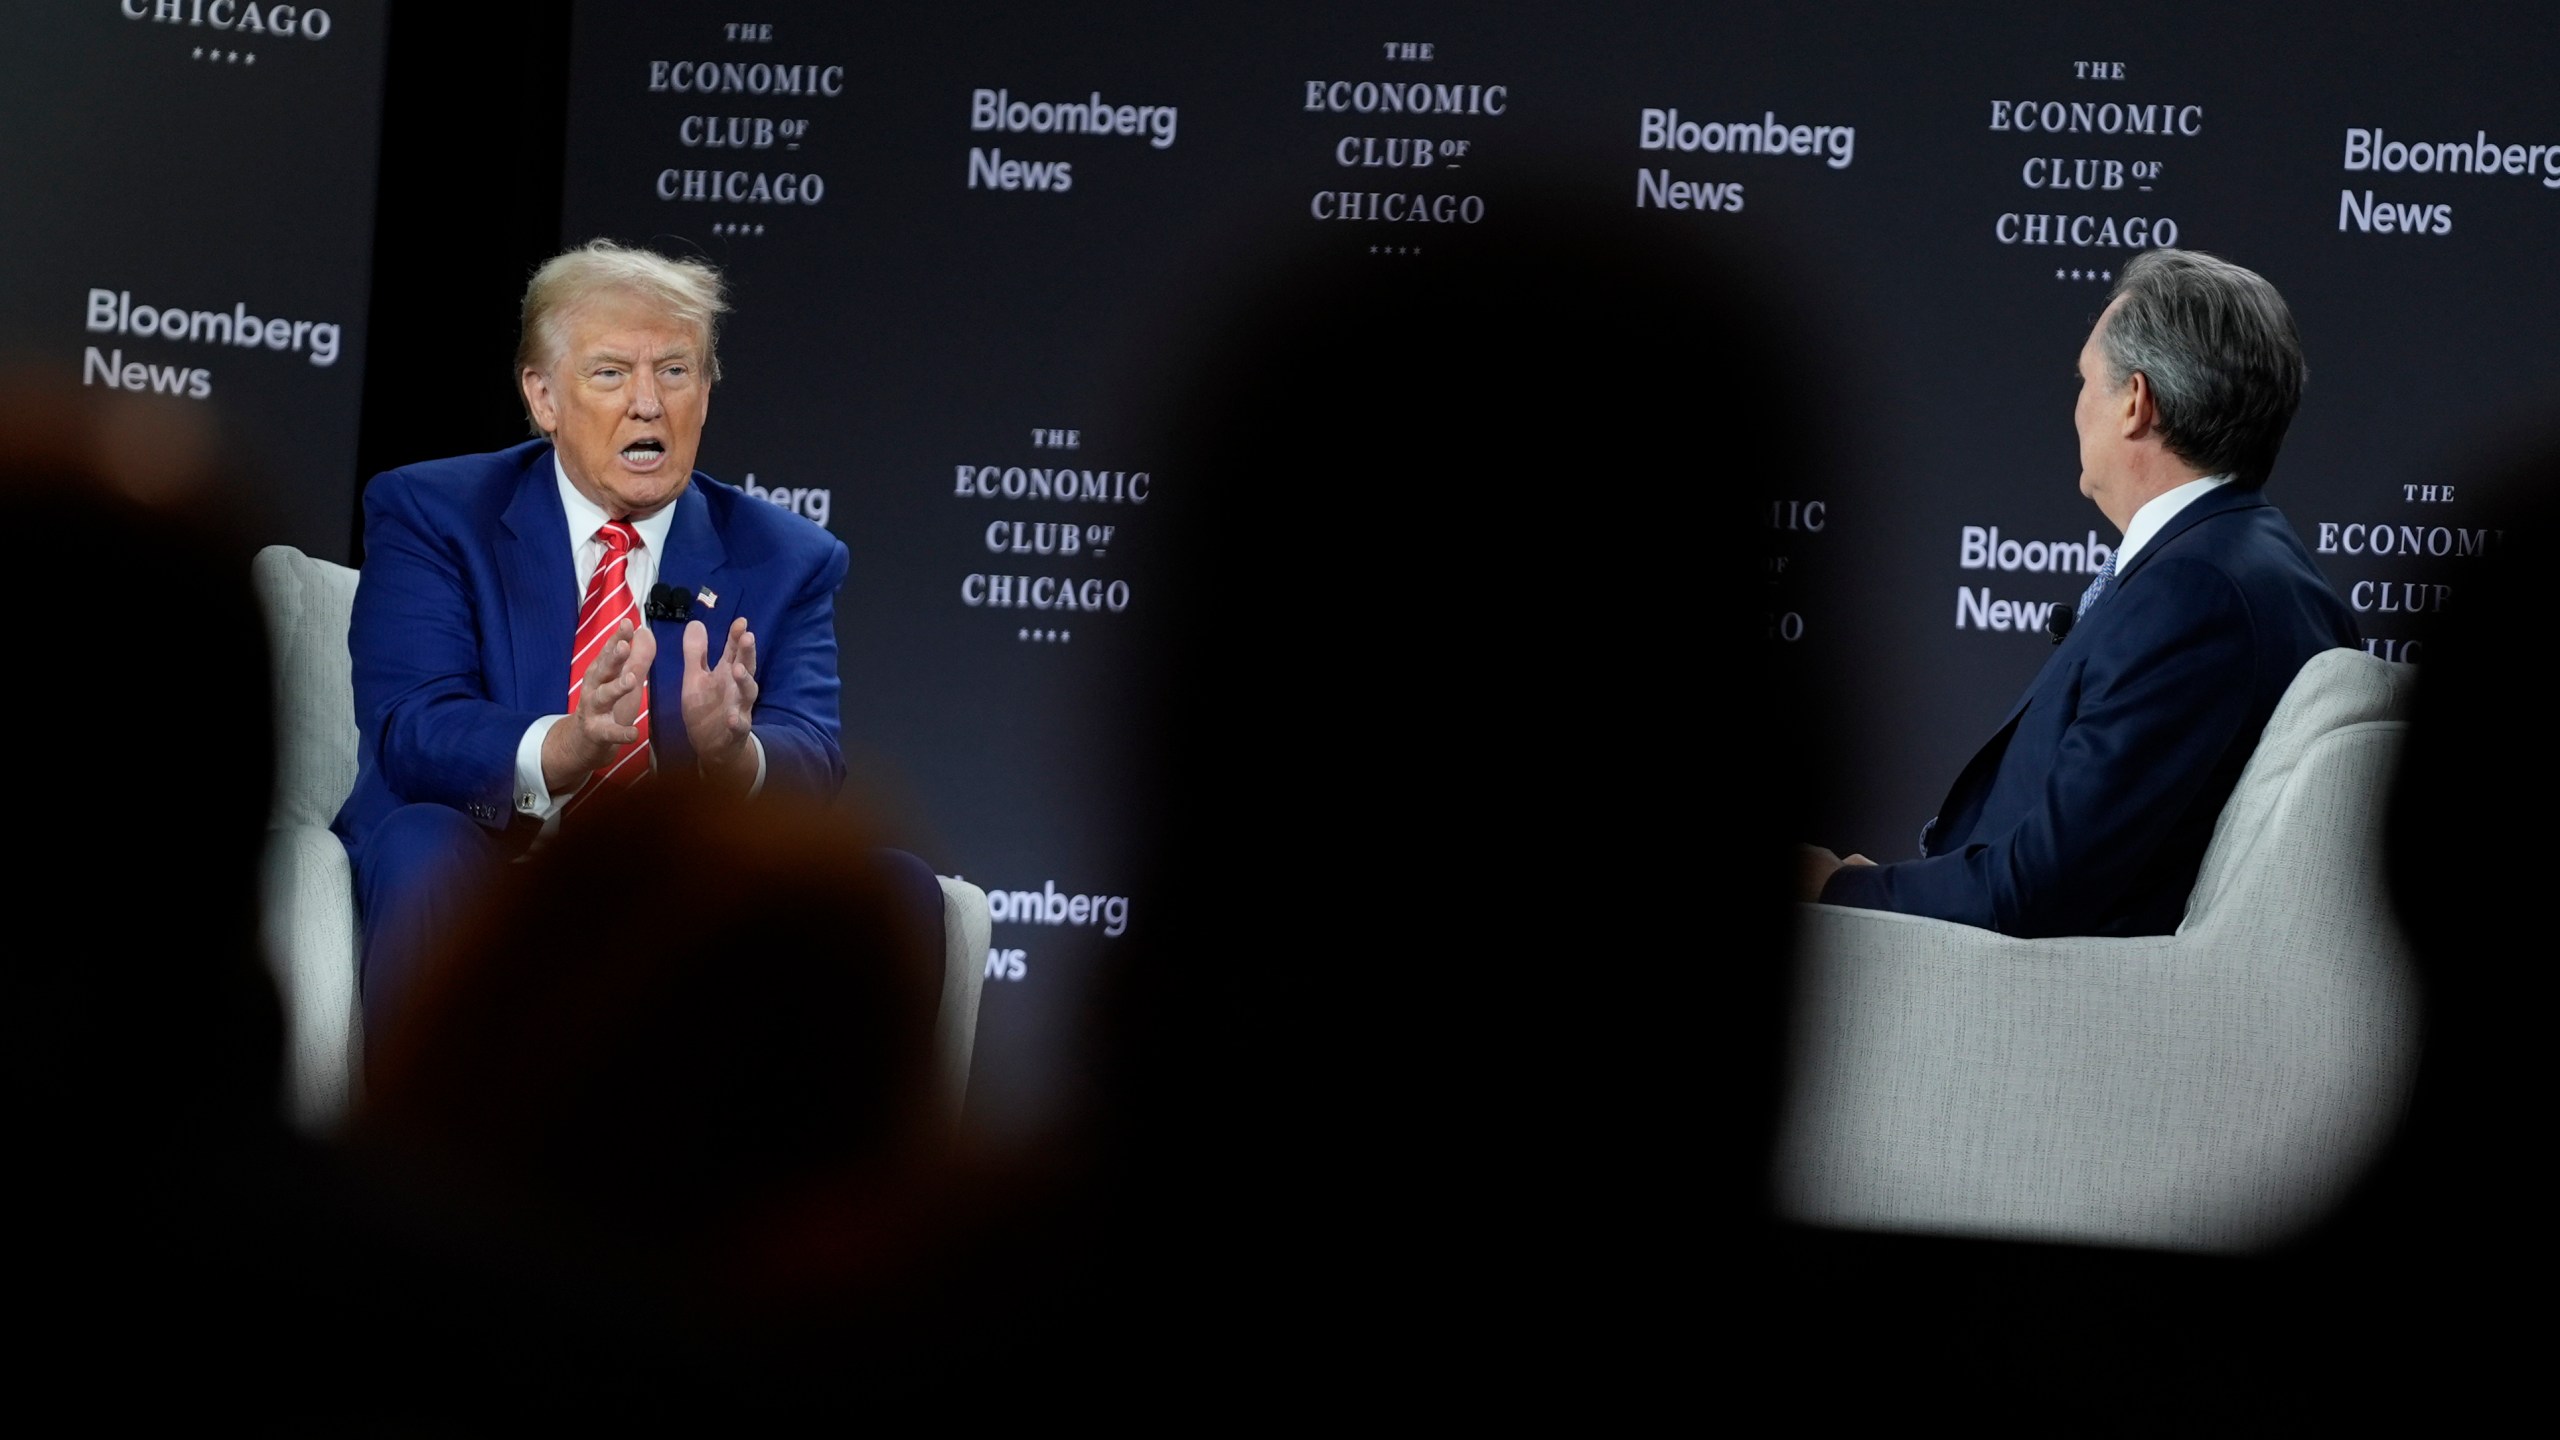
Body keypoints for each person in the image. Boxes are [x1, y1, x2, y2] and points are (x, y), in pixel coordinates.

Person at [336, 239, 941, 1035]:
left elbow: (812, 753)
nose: (648, 404)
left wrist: (734, 755)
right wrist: (567, 744)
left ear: (707, 393)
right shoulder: (436, 514)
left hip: (680, 893)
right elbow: (412, 723)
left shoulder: (787, 558)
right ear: (543, 397)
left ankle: (826, 1164)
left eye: (676, 371)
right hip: (492, 864)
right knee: (420, 839)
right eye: (612, 372)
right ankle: (421, 1158)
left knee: (897, 882)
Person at [1806, 248, 2358, 936]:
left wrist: (1842, 888)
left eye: (2084, 382)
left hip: (2050, 1003)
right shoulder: (2263, 567)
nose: (2073, 408)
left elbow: (2040, 887)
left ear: (2135, 402)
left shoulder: (2195, 593)